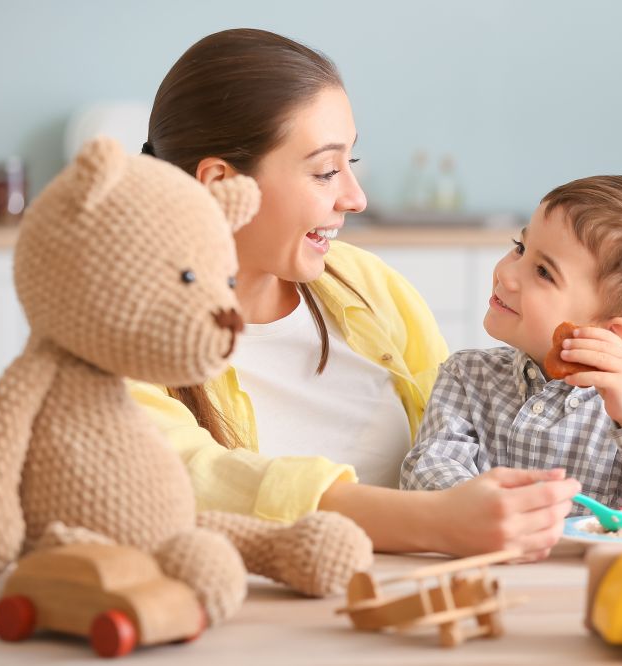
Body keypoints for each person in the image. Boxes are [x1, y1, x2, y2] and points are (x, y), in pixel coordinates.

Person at [130, 28, 579, 561]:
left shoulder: (368, 287)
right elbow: (193, 480)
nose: (356, 197)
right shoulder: (119, 335)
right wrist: (437, 523)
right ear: (220, 183)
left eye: (352, 164)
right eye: (325, 171)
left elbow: (473, 429)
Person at [399, 176, 622, 515]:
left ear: (610, 334)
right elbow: (427, 470)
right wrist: (492, 506)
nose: (507, 274)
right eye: (520, 247)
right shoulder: (467, 375)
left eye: (544, 272)